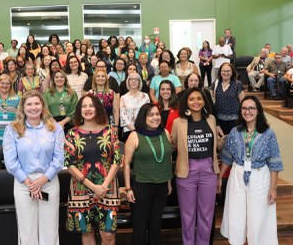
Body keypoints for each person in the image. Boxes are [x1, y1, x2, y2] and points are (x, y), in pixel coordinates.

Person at [218, 96, 283, 245]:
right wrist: (219, 178)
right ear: (240, 111)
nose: (247, 111)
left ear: (258, 111)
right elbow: (227, 158)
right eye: (244, 108)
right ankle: (236, 241)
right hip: (237, 175)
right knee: (236, 213)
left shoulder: (268, 133)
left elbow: (274, 163)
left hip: (260, 176)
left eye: (251, 108)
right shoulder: (235, 131)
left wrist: (273, 188)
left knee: (258, 215)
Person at [3, 90, 64, 245]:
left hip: (48, 183)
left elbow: (59, 159)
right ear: (23, 108)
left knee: (49, 229)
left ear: (42, 106)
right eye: (29, 104)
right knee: (27, 230)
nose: (33, 107)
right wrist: (29, 183)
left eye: (37, 103)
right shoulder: (12, 129)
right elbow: (10, 162)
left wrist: (42, 180)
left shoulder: (56, 128)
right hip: (24, 184)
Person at [65, 94, 121, 245]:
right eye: (84, 106)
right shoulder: (72, 134)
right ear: (79, 110)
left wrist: (103, 186)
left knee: (108, 236)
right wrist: (93, 187)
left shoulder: (111, 131)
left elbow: (117, 160)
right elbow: (69, 165)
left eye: (91, 105)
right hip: (81, 190)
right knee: (87, 234)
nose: (87, 109)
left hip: (107, 189)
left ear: (98, 109)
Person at [171, 87, 219, 245]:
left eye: (199, 98)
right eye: (191, 99)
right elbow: (172, 145)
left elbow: (216, 144)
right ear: (186, 102)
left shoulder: (211, 119)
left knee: (206, 215)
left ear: (204, 101)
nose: (196, 102)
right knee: (188, 215)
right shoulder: (178, 122)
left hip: (208, 169)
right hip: (186, 170)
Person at [123, 103, 173, 245]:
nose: (155, 117)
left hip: (162, 186)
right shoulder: (134, 136)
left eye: (157, 114)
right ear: (143, 117)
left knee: (156, 225)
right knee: (140, 226)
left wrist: (169, 182)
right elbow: (126, 164)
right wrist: (128, 188)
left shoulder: (165, 133)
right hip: (141, 187)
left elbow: (167, 159)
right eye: (151, 115)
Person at [211, 62, 245, 136]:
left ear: (232, 72)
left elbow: (243, 103)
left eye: (228, 71)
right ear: (220, 72)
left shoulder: (237, 84)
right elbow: (211, 100)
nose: (226, 73)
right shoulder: (215, 83)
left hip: (235, 121)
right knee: (221, 144)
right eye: (223, 71)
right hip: (219, 121)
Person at [120, 72, 150, 142]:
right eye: (131, 79)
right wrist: (132, 129)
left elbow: (148, 112)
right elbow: (122, 115)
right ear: (128, 81)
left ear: (139, 82)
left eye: (136, 79)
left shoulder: (145, 96)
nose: (133, 81)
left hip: (144, 129)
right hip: (128, 130)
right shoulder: (123, 98)